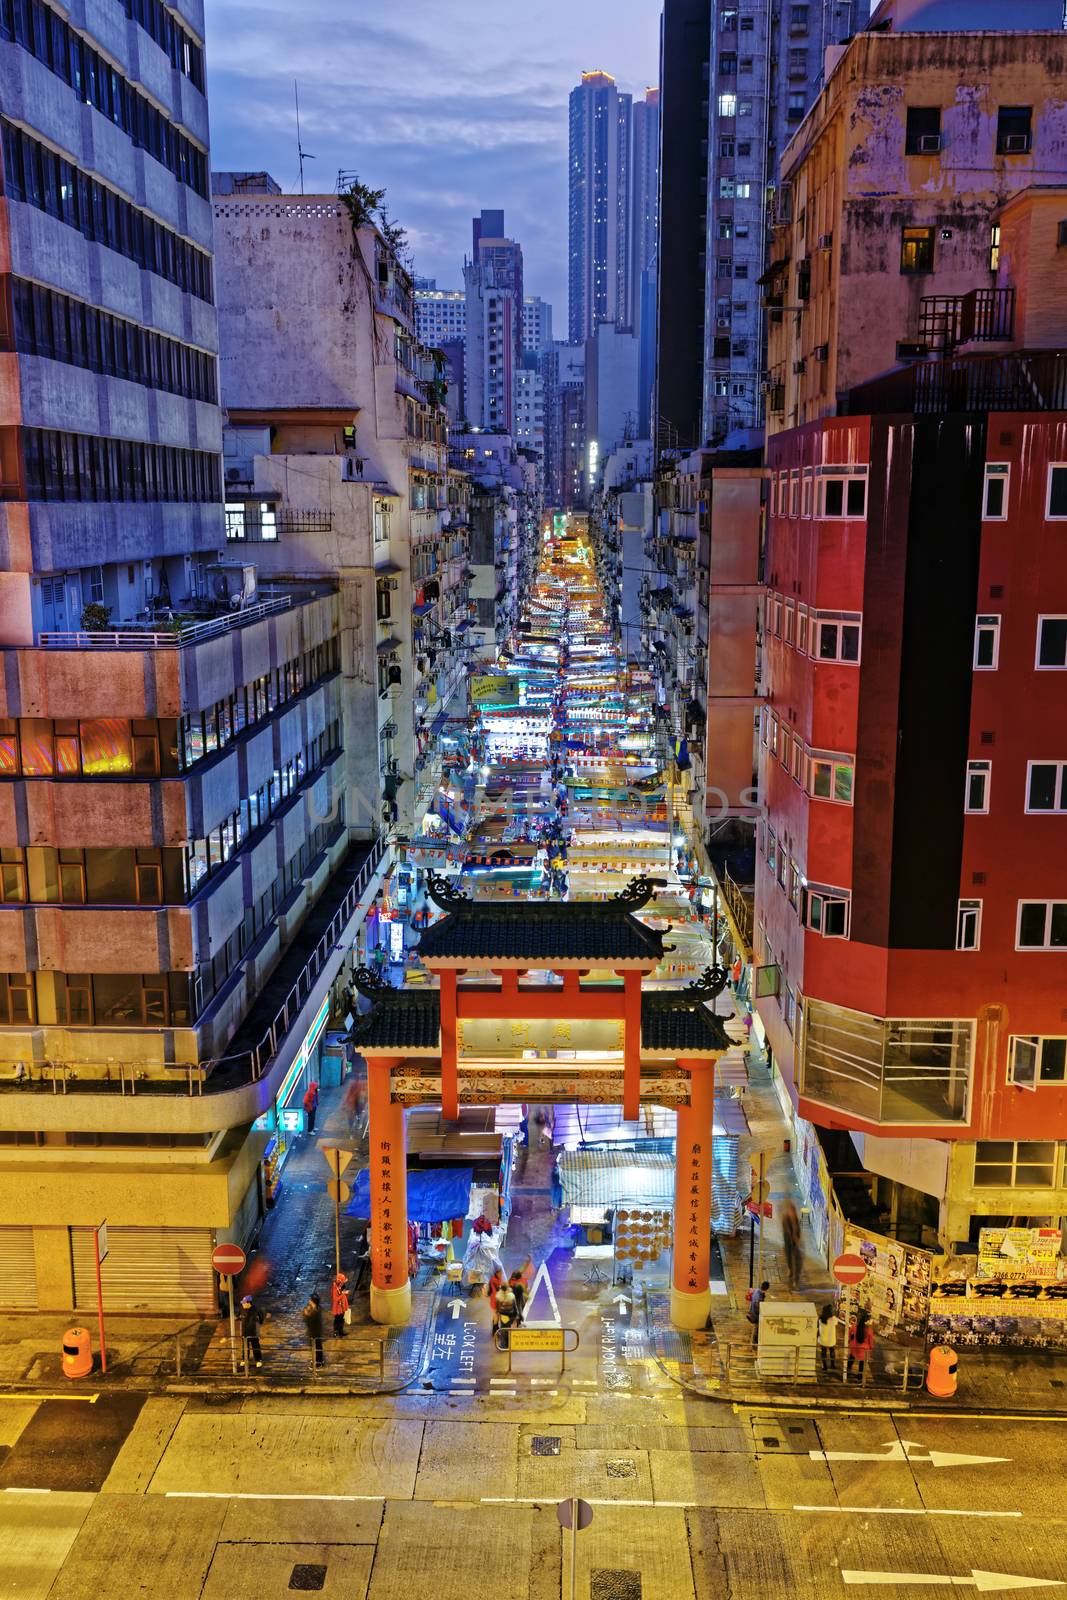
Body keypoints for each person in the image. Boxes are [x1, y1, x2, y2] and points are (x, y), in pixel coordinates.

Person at [781, 1200, 803, 1290]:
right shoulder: (785, 1219)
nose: (792, 1213)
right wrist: (792, 1236)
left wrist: (797, 1238)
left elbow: (798, 1229)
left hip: (795, 1242)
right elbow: (786, 1231)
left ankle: (796, 1279)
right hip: (788, 1242)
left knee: (797, 1260)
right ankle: (791, 1270)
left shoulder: (796, 1220)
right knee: (789, 1257)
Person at [848, 1307, 874, 1380]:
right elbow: (871, 1342)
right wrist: (871, 1349)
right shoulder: (869, 1330)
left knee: (850, 1360)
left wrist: (850, 1340)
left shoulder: (854, 1327)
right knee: (861, 1365)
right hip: (864, 1351)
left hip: (854, 1347)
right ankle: (859, 1378)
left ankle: (847, 1373)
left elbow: (849, 1334)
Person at [240, 1295, 265, 1368]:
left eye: (244, 1303)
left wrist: (259, 1324)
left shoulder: (256, 1310)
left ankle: (258, 1360)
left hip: (253, 1332)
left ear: (248, 1303)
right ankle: (244, 1359)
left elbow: (261, 1317)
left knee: (255, 1346)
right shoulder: (242, 1309)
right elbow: (239, 1316)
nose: (242, 1304)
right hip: (244, 1332)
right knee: (245, 1347)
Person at [303, 1292, 325, 1367]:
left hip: (315, 1332)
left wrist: (306, 1314)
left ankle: (319, 1363)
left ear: (313, 1301)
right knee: (318, 1347)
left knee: (317, 1347)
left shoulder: (315, 1311)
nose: (309, 1301)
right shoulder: (316, 1308)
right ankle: (319, 1361)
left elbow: (308, 1321)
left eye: (310, 1300)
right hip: (316, 1331)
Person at [817, 1302, 839, 1372]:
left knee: (823, 1352)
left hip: (823, 1339)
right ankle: (832, 1365)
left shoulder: (821, 1319)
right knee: (832, 1351)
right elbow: (836, 1322)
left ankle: (824, 1366)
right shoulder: (833, 1319)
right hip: (831, 1340)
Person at [748, 1279, 770, 1348]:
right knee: (759, 1326)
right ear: (767, 1288)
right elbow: (757, 1309)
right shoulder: (759, 1297)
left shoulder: (757, 1290)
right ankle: (755, 1343)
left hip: (751, 1311)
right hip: (754, 1315)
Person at [331, 1272, 350, 1338]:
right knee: (337, 1319)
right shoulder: (335, 1289)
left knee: (342, 1319)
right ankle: (336, 1331)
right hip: (338, 1307)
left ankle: (341, 1331)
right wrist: (343, 1293)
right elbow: (336, 1299)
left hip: (342, 1306)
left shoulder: (340, 1287)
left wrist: (344, 1293)